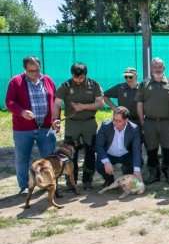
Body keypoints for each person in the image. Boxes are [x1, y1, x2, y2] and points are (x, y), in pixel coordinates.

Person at [5, 56, 58, 195]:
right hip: (23, 129)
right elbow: (9, 102)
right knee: (22, 158)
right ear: (25, 69)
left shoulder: (48, 80)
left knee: (49, 158)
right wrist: (21, 112)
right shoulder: (15, 81)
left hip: (46, 127)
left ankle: (49, 183)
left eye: (37, 70)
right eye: (31, 71)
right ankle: (24, 186)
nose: (35, 73)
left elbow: (55, 101)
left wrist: (56, 119)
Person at [53, 62, 104, 190]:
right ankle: (71, 182)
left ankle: (87, 181)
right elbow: (57, 104)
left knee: (90, 153)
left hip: (89, 123)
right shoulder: (66, 85)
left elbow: (100, 103)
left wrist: (83, 107)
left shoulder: (94, 84)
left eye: (81, 78)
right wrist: (56, 119)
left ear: (86, 75)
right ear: (72, 75)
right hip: (72, 123)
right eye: (76, 77)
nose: (78, 80)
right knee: (69, 154)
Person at [136, 58, 169, 184]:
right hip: (150, 122)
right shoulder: (144, 84)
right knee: (151, 149)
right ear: (151, 69)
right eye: (155, 67)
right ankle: (154, 173)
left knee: (168, 148)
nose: (158, 69)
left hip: (167, 122)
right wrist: (142, 121)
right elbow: (139, 104)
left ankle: (168, 171)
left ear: (164, 68)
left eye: (160, 67)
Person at [95, 106, 143, 186]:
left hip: (125, 154)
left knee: (139, 162)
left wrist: (137, 171)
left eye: (119, 121)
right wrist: (106, 161)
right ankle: (109, 180)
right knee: (100, 165)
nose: (115, 122)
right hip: (109, 154)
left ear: (126, 120)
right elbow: (99, 145)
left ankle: (126, 178)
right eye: (114, 119)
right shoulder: (105, 126)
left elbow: (136, 150)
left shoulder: (134, 129)